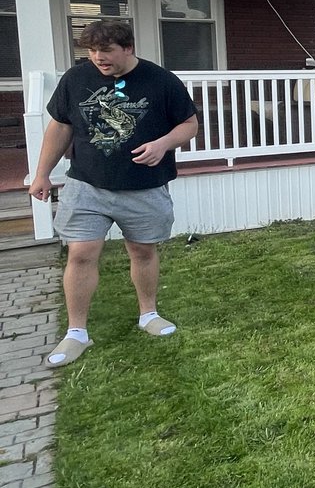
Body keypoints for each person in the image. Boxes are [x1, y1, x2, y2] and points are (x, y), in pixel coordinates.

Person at [29, 20, 199, 367]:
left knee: (142, 251)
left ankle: (148, 314)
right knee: (80, 254)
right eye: (91, 51)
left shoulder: (161, 80)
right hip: (87, 184)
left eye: (105, 51)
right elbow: (60, 127)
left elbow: (189, 124)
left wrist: (164, 144)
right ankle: (76, 333)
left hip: (143, 186)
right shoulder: (75, 80)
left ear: (128, 48)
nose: (98, 58)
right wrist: (42, 174)